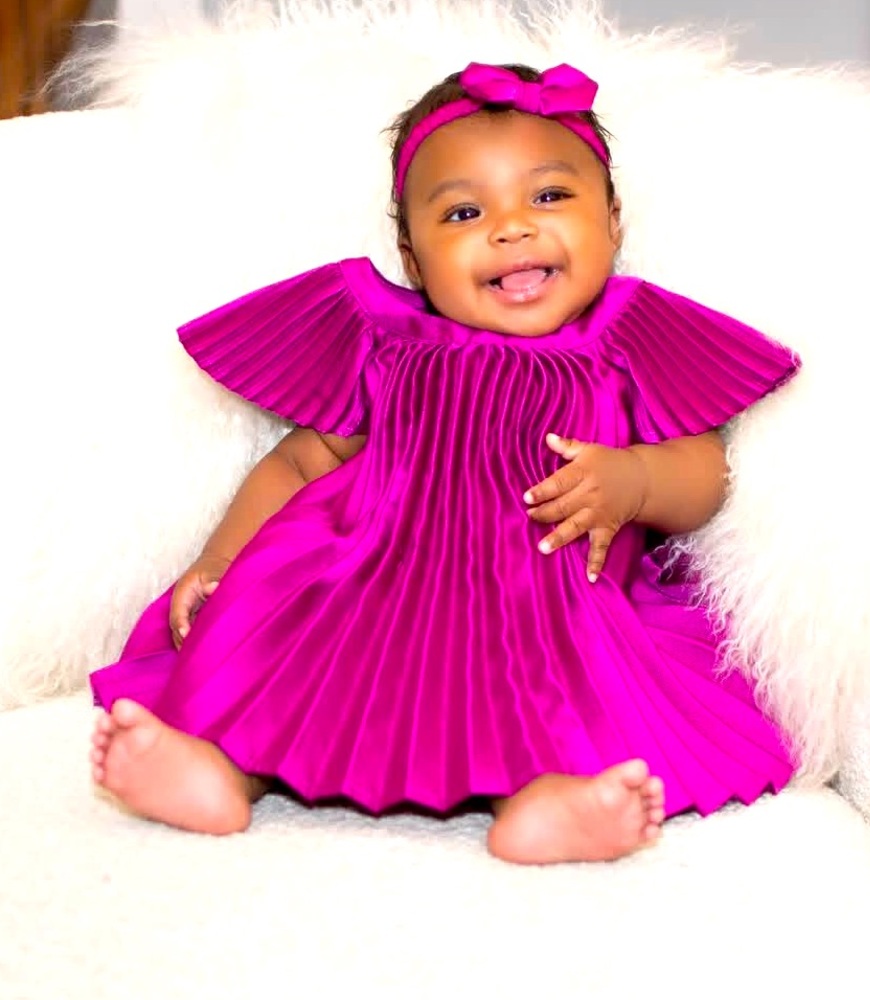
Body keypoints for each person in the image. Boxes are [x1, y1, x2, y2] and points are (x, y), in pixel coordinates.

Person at [89, 62, 801, 865]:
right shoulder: (389, 344)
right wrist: (219, 562)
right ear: (412, 253)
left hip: (545, 597)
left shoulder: (627, 345)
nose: (509, 228)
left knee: (558, 683)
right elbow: (299, 465)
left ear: (613, 221)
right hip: (359, 581)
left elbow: (705, 473)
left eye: (548, 197)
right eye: (465, 211)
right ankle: (214, 768)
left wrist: (634, 482)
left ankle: (546, 800)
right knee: (269, 647)